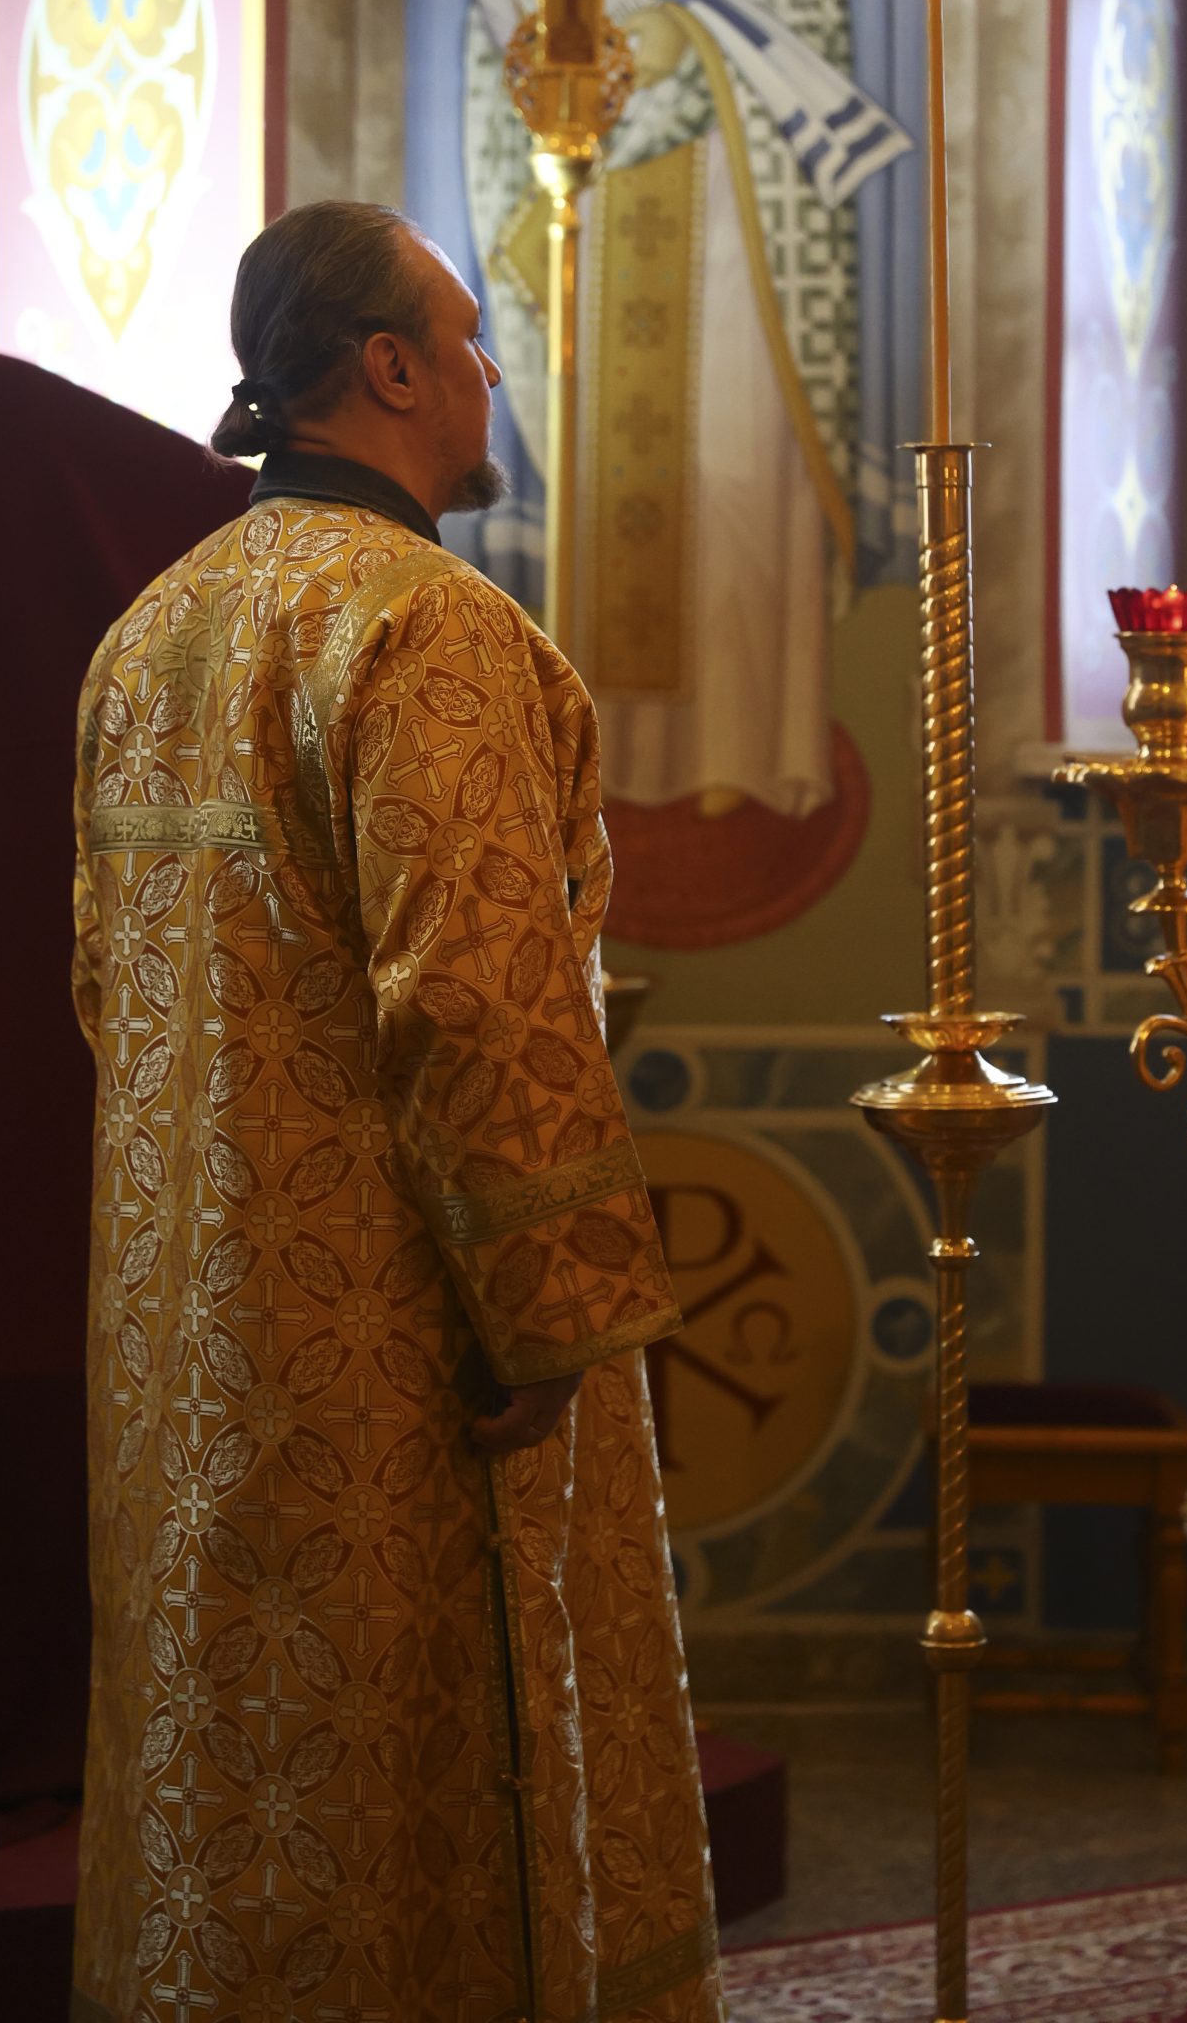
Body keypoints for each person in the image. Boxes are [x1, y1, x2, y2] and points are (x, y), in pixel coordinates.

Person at [70, 201, 721, 2023]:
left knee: (228, 1774)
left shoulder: (149, 634)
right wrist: (548, 1309)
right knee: (416, 1791)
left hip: (188, 1347)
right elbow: (477, 995)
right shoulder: (425, 627)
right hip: (398, 1348)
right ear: (390, 369)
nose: (492, 370)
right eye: (468, 335)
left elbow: (104, 993)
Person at [464, 0, 907, 820]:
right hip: (589, 183)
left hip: (731, 188)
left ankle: (750, 755)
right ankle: (610, 774)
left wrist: (689, 33)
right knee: (608, 478)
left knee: (736, 472)